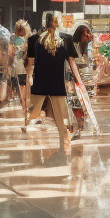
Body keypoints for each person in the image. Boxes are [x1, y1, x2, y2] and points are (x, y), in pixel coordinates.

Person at [24, 11, 79, 154]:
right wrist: (79, 81)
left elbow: (30, 66)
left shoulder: (34, 40)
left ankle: (32, 150)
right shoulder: (66, 39)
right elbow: (72, 63)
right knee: (62, 120)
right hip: (57, 84)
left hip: (39, 83)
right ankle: (63, 148)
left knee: (32, 119)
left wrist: (27, 86)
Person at [11, 20, 31, 115]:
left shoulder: (26, 39)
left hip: (23, 65)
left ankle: (25, 106)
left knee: (23, 86)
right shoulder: (15, 39)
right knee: (22, 86)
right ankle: (24, 105)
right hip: (19, 66)